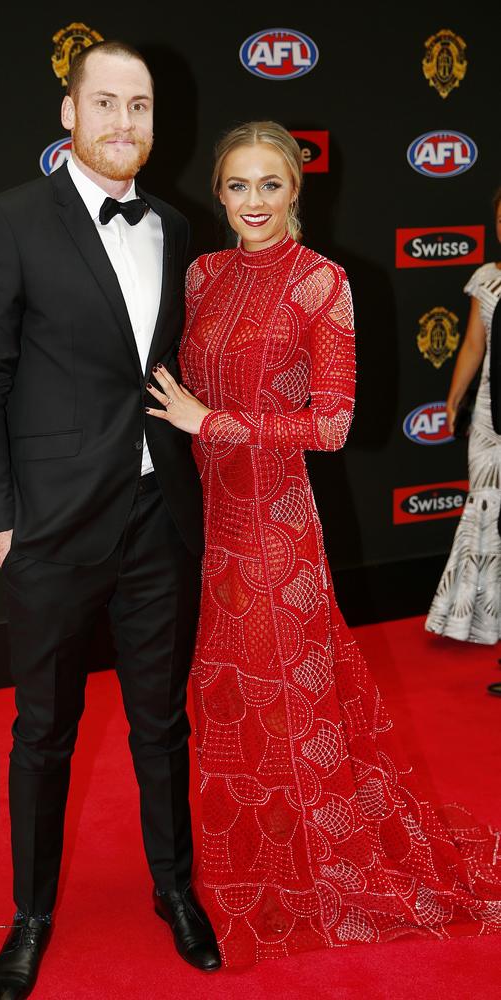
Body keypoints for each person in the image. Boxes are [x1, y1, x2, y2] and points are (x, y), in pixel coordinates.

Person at [146, 121, 501, 967]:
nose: (254, 202)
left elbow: (334, 425)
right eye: (238, 185)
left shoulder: (323, 283)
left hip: (275, 531)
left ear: (296, 189)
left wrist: (214, 422)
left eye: (271, 184)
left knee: (287, 703)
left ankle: (311, 864)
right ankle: (247, 855)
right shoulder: (201, 275)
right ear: (219, 192)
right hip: (203, 526)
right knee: (227, 706)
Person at [0, 40, 220, 1000]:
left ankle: (174, 890)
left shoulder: (179, 228)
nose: (123, 123)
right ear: (68, 114)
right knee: (44, 731)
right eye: (103, 104)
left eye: (139, 106)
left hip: (159, 517)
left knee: (162, 722)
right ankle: (30, 915)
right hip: (52, 525)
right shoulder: (10, 222)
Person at [426, 190, 501, 659]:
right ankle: (480, 622)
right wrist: (455, 400)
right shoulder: (486, 280)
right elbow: (473, 345)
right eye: (500, 217)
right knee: (485, 514)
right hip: (491, 419)